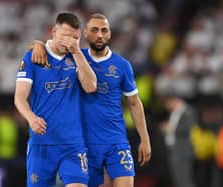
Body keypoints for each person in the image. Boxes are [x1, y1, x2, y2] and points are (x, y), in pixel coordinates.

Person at [29, 13, 151, 187]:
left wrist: (145, 139)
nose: (99, 35)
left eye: (104, 30)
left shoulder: (122, 65)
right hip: (85, 144)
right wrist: (38, 44)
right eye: (94, 30)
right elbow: (51, 48)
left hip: (116, 140)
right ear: (85, 34)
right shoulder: (73, 57)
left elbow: (134, 102)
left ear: (109, 34)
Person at [14, 12, 97, 187]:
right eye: (66, 36)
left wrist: (76, 53)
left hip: (72, 144)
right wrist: (31, 118)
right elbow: (20, 98)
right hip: (42, 144)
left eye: (74, 38)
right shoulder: (33, 57)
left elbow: (90, 87)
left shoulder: (78, 57)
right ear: (54, 31)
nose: (69, 42)